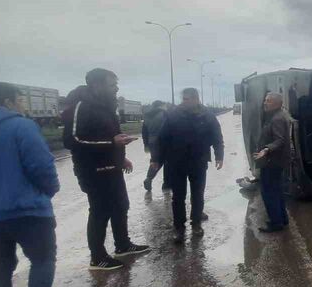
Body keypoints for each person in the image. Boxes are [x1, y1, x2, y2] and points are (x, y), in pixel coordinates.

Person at [0, 82, 70, 287]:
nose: (23, 105)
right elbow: (41, 165)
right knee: (42, 259)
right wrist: (50, 189)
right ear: (9, 102)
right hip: (28, 211)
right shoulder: (21, 126)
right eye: (20, 100)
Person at [62, 68, 150, 271]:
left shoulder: (107, 106)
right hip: (93, 170)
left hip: (113, 167)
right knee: (100, 211)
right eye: (112, 85)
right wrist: (111, 143)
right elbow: (72, 140)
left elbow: (110, 136)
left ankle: (123, 245)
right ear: (97, 85)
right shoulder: (82, 105)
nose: (116, 88)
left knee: (121, 205)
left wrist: (122, 157)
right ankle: (98, 257)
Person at [152, 88, 224, 243]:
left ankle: (196, 224)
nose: (184, 102)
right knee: (178, 197)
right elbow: (161, 138)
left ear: (196, 99)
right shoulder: (173, 115)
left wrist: (219, 155)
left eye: (188, 99)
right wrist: (155, 158)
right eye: (183, 98)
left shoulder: (207, 115)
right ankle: (179, 227)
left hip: (199, 161)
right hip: (176, 162)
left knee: (198, 195)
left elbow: (217, 136)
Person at [253, 92, 291, 233]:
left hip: (272, 161)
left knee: (269, 192)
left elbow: (280, 140)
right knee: (277, 190)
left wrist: (266, 150)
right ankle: (282, 219)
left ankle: (276, 223)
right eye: (265, 100)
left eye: (268, 101)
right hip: (275, 161)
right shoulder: (278, 116)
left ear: (277, 103)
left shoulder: (277, 119)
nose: (265, 102)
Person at [142, 100, 170, 192]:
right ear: (161, 106)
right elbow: (170, 127)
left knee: (155, 161)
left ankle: (149, 178)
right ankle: (166, 184)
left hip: (152, 142)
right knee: (167, 162)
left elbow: (144, 132)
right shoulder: (164, 114)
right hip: (163, 141)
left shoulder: (146, 116)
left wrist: (146, 144)